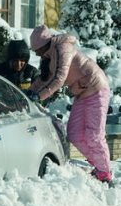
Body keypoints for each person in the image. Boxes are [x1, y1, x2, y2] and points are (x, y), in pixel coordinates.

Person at [26, 25, 113, 184]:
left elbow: (60, 77)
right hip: (82, 93)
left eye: (36, 50)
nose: (36, 53)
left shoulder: (62, 48)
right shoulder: (49, 55)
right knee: (74, 134)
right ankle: (99, 165)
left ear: (43, 44)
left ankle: (105, 173)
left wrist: (39, 96)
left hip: (96, 88)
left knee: (94, 135)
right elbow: (44, 79)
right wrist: (27, 93)